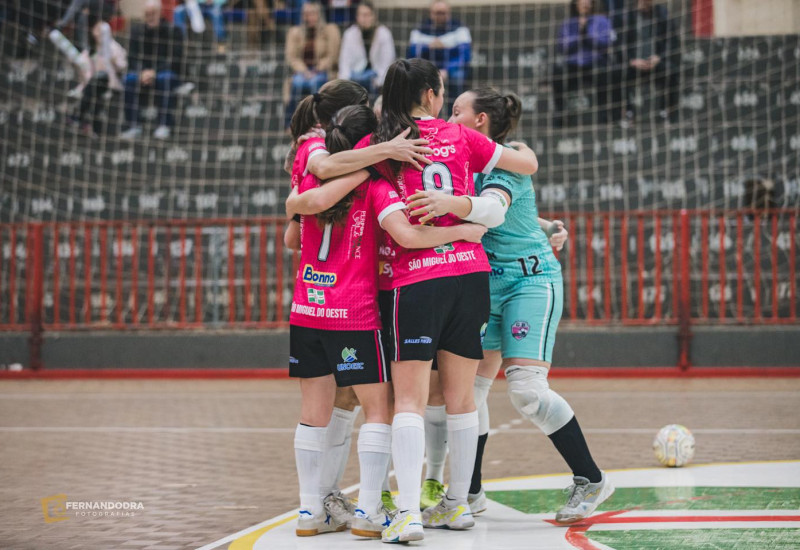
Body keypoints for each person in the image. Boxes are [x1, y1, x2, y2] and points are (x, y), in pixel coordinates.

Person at [352, 58, 537, 543]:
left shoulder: (381, 144)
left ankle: (409, 513)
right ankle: (457, 504)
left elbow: (330, 167)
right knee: (462, 398)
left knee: (409, 400)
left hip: (414, 279)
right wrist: (519, 152)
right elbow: (524, 165)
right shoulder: (461, 136)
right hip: (471, 274)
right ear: (432, 95)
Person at [410, 87, 614, 524]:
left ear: (480, 120)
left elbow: (494, 210)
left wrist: (449, 203)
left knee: (526, 391)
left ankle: (591, 478)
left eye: (458, 111)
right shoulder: (462, 160)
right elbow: (513, 210)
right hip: (488, 284)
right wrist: (547, 223)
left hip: (529, 281)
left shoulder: (509, 157)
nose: (451, 117)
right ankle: (470, 490)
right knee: (467, 393)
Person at [284, 103, 487, 538]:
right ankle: (370, 509)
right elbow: (408, 235)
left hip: (308, 308)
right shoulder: (376, 184)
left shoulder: (313, 180)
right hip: (355, 311)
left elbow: (291, 236)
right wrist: (463, 231)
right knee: (381, 410)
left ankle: (309, 510)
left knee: (313, 413)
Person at [120, 0, 183, 140]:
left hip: (165, 71)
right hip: (142, 73)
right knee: (128, 80)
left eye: (153, 13)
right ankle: (133, 126)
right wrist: (142, 73)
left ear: (160, 13)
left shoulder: (173, 30)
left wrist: (154, 72)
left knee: (164, 78)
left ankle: (164, 125)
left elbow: (175, 58)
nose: (150, 17)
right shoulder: (137, 31)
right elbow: (132, 57)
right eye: (147, 14)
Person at [614, 0, 680, 126]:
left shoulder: (662, 13)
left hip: (655, 62)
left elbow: (673, 41)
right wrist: (631, 61)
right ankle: (628, 113)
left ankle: (666, 112)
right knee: (616, 74)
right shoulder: (627, 15)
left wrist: (659, 57)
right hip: (634, 64)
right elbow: (619, 44)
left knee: (672, 72)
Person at [552, 0, 614, 126]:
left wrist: (587, 34)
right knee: (558, 74)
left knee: (606, 74)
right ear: (576, 4)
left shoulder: (601, 21)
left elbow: (605, 43)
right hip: (573, 64)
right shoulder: (568, 24)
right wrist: (580, 33)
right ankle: (561, 115)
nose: (585, 3)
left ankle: (604, 116)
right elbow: (562, 47)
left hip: (594, 62)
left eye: (588, 1)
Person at [407, 0, 471, 116]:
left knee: (458, 77)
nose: (440, 16)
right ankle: (430, 117)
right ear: (431, 13)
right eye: (437, 13)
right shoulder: (420, 29)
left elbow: (465, 56)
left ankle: (455, 116)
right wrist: (428, 47)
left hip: (451, 69)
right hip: (428, 70)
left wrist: (447, 70)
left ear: (449, 13)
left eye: (443, 13)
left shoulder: (459, 28)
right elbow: (412, 54)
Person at [283, 1, 341, 128]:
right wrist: (304, 70)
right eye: (306, 14)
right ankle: (292, 123)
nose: (309, 17)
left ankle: (318, 121)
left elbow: (332, 55)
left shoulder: (330, 30)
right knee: (297, 83)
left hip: (323, 70)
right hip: (302, 71)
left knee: (315, 83)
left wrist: (318, 68)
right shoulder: (295, 32)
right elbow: (292, 57)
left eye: (313, 13)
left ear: (319, 14)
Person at [68, 14, 127, 137]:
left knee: (98, 81)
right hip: (93, 85)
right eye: (96, 30)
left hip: (111, 83)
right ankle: (92, 128)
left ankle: (77, 117)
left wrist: (114, 62)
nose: (99, 33)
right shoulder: (91, 50)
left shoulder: (114, 47)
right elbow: (81, 63)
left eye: (101, 30)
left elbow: (123, 66)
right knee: (95, 93)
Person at [338, 1, 395, 98]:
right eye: (361, 15)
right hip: (355, 77)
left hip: (376, 77)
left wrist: (378, 81)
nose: (364, 18)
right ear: (357, 17)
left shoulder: (384, 33)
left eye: (367, 15)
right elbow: (344, 62)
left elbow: (387, 62)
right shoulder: (349, 34)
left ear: (374, 16)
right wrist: (344, 84)